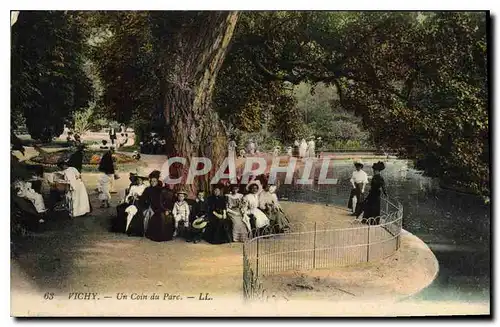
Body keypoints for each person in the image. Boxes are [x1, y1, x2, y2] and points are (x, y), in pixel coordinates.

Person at [139, 170, 175, 242]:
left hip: (160, 207)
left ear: (157, 181)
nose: (153, 183)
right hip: (151, 207)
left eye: (154, 181)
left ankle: (165, 235)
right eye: (151, 181)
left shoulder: (161, 190)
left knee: (164, 217)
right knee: (158, 217)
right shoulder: (147, 189)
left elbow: (165, 200)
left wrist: (167, 209)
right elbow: (143, 199)